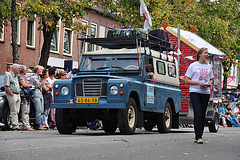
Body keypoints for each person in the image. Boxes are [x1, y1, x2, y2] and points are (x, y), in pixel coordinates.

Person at [185, 47, 214, 144]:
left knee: (202, 114)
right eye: (205, 53)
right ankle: (198, 136)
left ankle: (200, 134)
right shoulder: (193, 65)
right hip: (195, 91)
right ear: (200, 54)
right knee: (197, 113)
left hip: (205, 92)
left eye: (207, 53)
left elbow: (211, 79)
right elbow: (187, 80)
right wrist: (198, 83)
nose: (207, 55)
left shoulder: (209, 67)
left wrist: (208, 83)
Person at [4, 64, 21, 130]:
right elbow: (6, 86)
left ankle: (15, 123)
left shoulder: (16, 76)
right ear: (14, 69)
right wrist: (12, 94)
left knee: (17, 111)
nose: (20, 70)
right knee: (13, 110)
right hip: (12, 94)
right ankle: (15, 125)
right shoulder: (8, 75)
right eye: (18, 68)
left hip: (17, 94)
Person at [18, 65, 35, 131]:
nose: (26, 71)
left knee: (27, 111)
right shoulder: (19, 77)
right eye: (25, 70)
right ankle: (26, 125)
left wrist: (27, 85)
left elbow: (26, 84)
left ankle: (27, 124)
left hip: (27, 95)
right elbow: (25, 84)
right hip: (23, 96)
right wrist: (30, 85)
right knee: (24, 111)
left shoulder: (24, 77)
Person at [30, 65, 45, 130]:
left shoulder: (38, 78)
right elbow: (39, 85)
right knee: (38, 110)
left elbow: (40, 85)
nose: (42, 72)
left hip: (40, 94)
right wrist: (42, 81)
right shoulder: (34, 77)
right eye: (42, 70)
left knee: (42, 110)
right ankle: (38, 124)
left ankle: (41, 123)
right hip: (36, 94)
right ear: (38, 70)